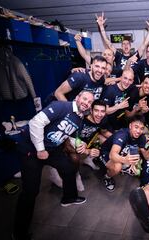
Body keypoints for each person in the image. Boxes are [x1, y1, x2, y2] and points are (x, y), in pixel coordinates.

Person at [13, 90, 94, 240]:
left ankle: (69, 198)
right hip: (31, 150)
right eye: (84, 99)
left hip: (52, 149)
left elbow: (67, 134)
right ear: (77, 98)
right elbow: (35, 122)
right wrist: (40, 148)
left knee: (69, 167)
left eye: (89, 102)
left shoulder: (79, 118)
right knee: (30, 192)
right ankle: (19, 233)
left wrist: (80, 145)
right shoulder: (60, 106)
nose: (86, 103)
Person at [48, 100, 113, 191]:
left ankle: (88, 159)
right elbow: (69, 140)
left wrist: (117, 139)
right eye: (96, 110)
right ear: (91, 110)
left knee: (105, 140)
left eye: (102, 111)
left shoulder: (103, 119)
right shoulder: (81, 119)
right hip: (69, 141)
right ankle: (76, 174)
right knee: (75, 157)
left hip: (87, 141)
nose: (99, 114)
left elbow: (104, 132)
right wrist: (88, 151)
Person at [98, 115, 149, 191]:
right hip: (107, 152)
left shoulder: (142, 137)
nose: (138, 131)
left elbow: (147, 157)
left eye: (141, 128)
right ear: (130, 126)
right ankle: (107, 177)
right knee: (117, 167)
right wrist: (125, 160)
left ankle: (124, 166)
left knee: (134, 167)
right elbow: (112, 155)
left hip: (122, 153)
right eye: (136, 127)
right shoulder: (122, 134)